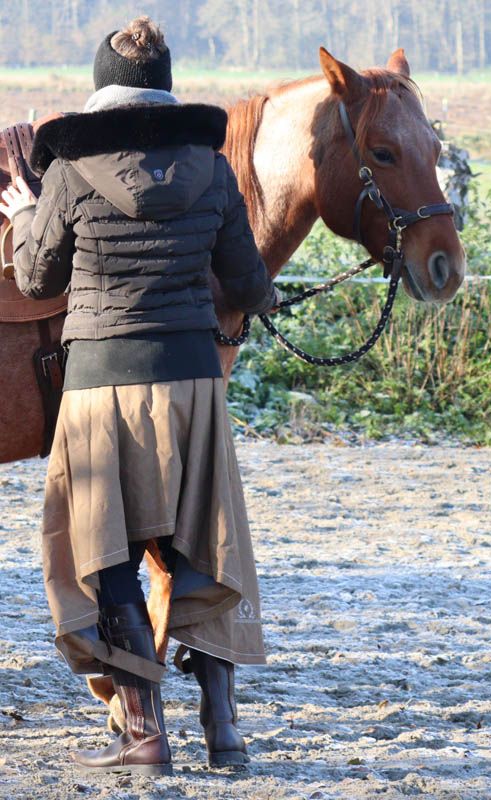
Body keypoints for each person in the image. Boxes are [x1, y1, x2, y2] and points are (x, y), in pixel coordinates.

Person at [0, 16, 280, 777]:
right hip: (193, 380)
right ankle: (224, 733)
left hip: (99, 386)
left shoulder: (67, 172)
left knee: (107, 554)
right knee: (203, 544)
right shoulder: (213, 169)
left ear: (100, 90)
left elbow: (35, 281)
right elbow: (250, 287)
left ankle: (144, 737)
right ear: (164, 85)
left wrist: (24, 207)